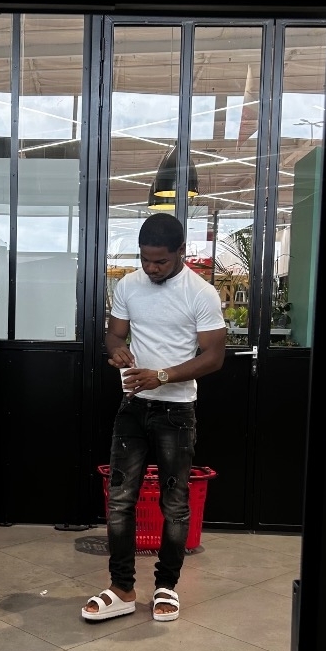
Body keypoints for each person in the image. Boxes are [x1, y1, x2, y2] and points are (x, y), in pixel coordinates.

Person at [82, 213, 226, 623]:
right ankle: (122, 588)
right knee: (119, 500)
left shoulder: (201, 293)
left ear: (180, 252)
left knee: (174, 503)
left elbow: (214, 357)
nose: (151, 267)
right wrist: (116, 350)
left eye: (160, 261)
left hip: (177, 412)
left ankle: (166, 587)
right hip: (133, 406)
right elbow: (114, 334)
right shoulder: (129, 285)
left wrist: (162, 376)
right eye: (145, 259)